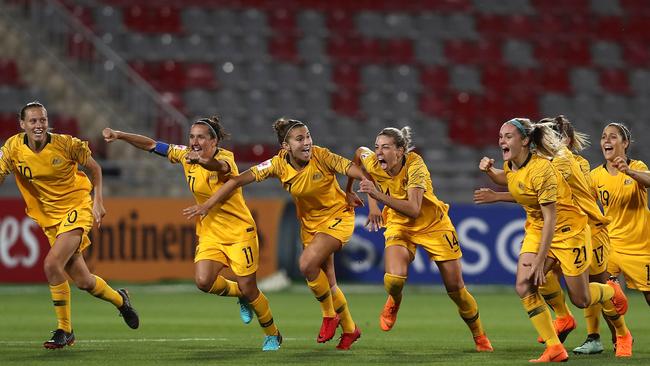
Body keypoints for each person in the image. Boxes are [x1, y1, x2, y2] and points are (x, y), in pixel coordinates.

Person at [183, 118, 365, 350]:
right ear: (286, 147)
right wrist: (208, 204)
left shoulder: (322, 155)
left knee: (307, 264)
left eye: (308, 136)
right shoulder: (277, 165)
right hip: (310, 223)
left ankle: (329, 316)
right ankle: (350, 329)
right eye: (300, 139)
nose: (308, 142)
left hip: (338, 216)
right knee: (328, 281)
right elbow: (238, 180)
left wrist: (371, 193)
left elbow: (353, 169)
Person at [102, 116, 282, 351]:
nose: (194, 141)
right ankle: (240, 294)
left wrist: (202, 161)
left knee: (251, 287)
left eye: (200, 137)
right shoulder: (185, 154)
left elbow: (218, 167)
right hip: (210, 232)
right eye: (191, 136)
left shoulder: (225, 158)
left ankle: (272, 334)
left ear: (214, 141)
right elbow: (152, 145)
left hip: (240, 231)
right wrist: (120, 134)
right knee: (203, 281)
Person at [477, 118, 630, 362]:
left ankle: (610, 293)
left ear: (526, 140)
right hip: (538, 229)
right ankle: (555, 347)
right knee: (524, 285)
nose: (501, 141)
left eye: (508, 136)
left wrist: (540, 260)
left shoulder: (550, 168)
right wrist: (490, 173)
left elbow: (552, 217)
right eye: (500, 136)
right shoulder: (513, 164)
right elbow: (516, 184)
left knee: (581, 299)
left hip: (570, 230)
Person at [0, 102, 139, 349]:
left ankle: (65, 329)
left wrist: (97, 201)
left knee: (51, 264)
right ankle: (121, 300)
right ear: (22, 124)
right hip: (49, 218)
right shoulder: (12, 148)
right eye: (32, 121)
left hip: (77, 208)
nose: (39, 125)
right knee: (84, 281)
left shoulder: (66, 144)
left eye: (42, 120)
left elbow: (95, 168)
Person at [346, 126, 493, 352]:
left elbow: (414, 209)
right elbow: (358, 154)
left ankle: (479, 335)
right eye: (377, 147)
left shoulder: (416, 167)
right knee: (394, 279)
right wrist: (366, 199)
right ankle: (394, 300)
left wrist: (376, 195)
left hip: (433, 224)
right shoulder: (374, 162)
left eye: (386, 147)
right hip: (398, 222)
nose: (378, 152)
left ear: (400, 151)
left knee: (456, 289)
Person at [591, 123, 650, 305]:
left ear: (625, 143)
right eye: (603, 136)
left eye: (613, 136)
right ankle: (619, 334)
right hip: (611, 245)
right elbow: (586, 206)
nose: (606, 140)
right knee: (606, 295)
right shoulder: (595, 176)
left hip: (639, 247)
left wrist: (630, 172)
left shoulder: (637, 166)